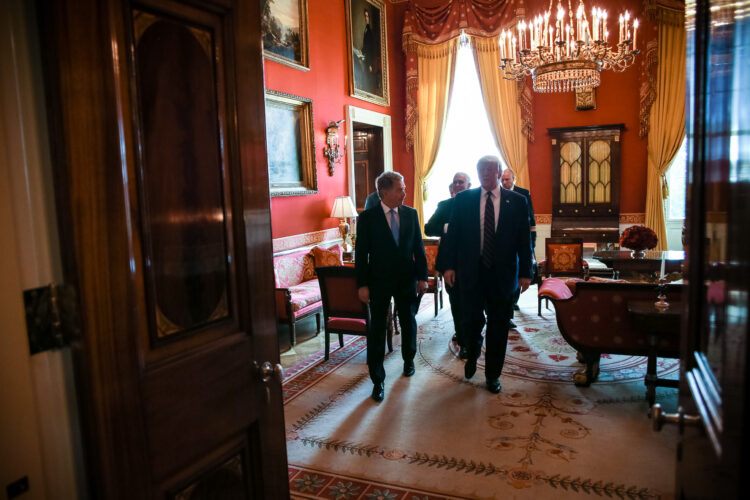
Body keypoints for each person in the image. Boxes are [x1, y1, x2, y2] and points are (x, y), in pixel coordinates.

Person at [441, 156, 532, 394]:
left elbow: (524, 241)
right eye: (481, 170)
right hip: (472, 272)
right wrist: (449, 266)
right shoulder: (463, 200)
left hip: (503, 275)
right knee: (470, 321)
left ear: (499, 171)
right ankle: (472, 351)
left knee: (498, 325)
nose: (484, 174)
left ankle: (493, 375)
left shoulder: (518, 201)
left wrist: (526, 272)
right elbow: (453, 237)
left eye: (490, 170)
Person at [355, 171, 428, 402]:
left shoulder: (411, 214)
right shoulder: (367, 218)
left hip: (406, 279)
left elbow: (419, 249)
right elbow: (361, 255)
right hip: (379, 282)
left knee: (408, 321)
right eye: (400, 188)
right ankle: (377, 379)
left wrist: (422, 277)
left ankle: (409, 359)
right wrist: (362, 285)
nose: (405, 192)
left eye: (404, 188)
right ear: (384, 192)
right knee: (377, 329)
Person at [424, 172, 472, 359]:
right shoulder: (444, 206)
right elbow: (429, 228)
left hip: (473, 262)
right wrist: (446, 227)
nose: (458, 185)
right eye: (455, 182)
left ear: (469, 185)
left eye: (462, 182)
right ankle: (463, 339)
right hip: (450, 262)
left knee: (473, 303)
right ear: (452, 187)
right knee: (457, 303)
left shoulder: (477, 204)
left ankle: (470, 333)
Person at [500, 168, 536, 322]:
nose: (504, 182)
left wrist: (531, 244)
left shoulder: (523, 194)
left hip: (520, 242)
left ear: (513, 179)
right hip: (505, 244)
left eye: (507, 179)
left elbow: (531, 221)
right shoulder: (498, 194)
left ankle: (513, 302)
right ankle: (510, 307)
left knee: (518, 273)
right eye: (502, 180)